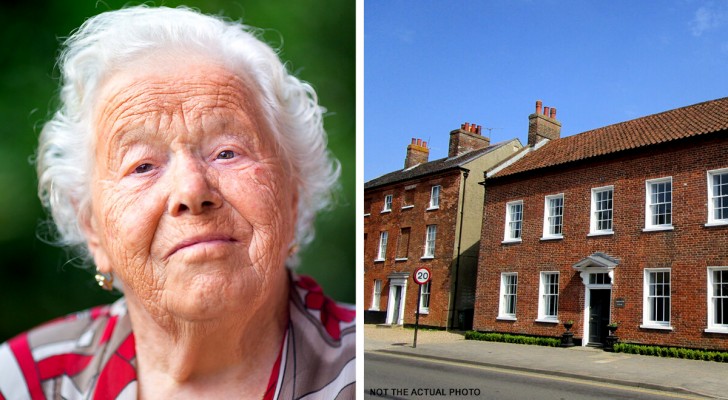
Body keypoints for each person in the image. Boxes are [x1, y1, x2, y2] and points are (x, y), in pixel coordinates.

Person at [0, 5, 354, 399]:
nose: (191, 191)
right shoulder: (21, 382)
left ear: (292, 194)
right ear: (92, 228)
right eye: (143, 165)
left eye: (227, 152)